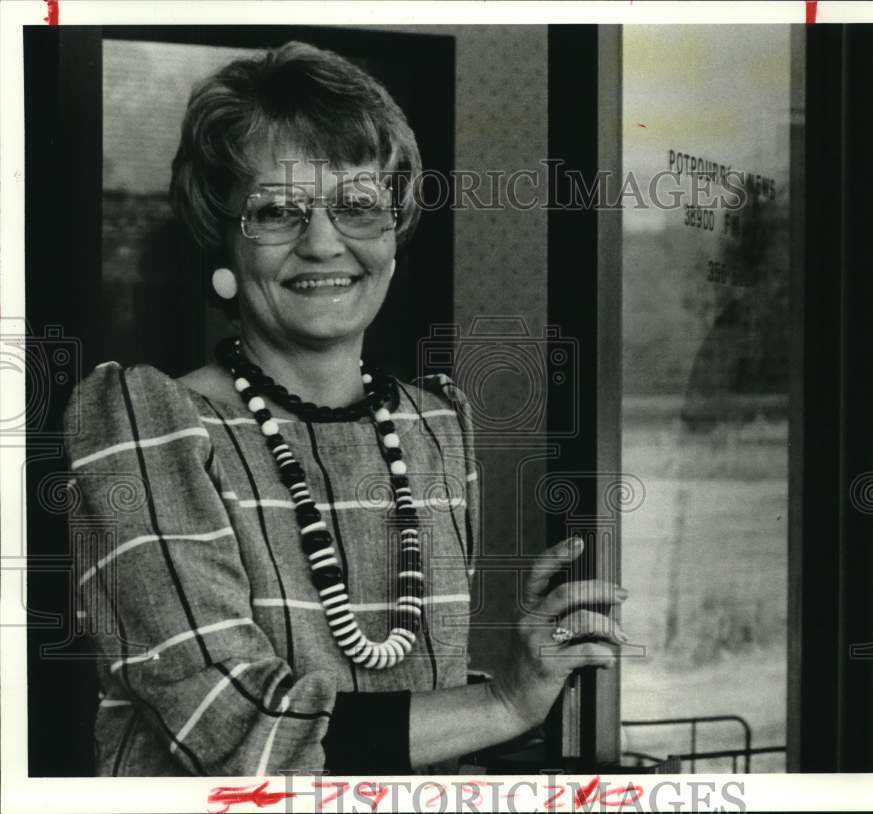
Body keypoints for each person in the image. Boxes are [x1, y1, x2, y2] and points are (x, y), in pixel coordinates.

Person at [65, 41, 627, 776]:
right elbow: (241, 734)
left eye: (358, 205)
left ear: (393, 237)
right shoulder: (145, 428)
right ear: (224, 242)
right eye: (277, 211)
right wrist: (505, 706)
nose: (324, 242)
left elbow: (426, 720)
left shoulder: (433, 429)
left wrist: (523, 681)